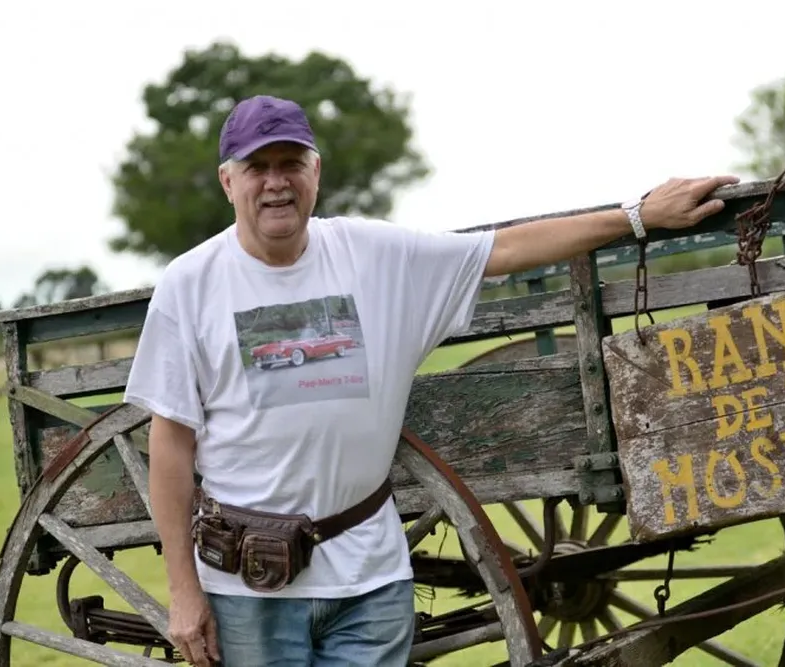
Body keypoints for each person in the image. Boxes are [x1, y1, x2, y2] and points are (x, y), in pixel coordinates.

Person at [123, 93, 739, 666]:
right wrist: (184, 589)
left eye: (291, 162)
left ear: (317, 173)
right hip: (251, 585)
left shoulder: (374, 255)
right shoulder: (191, 284)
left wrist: (637, 215)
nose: (276, 181)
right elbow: (171, 445)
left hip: (371, 577)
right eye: (257, 167)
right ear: (228, 180)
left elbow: (502, 250)